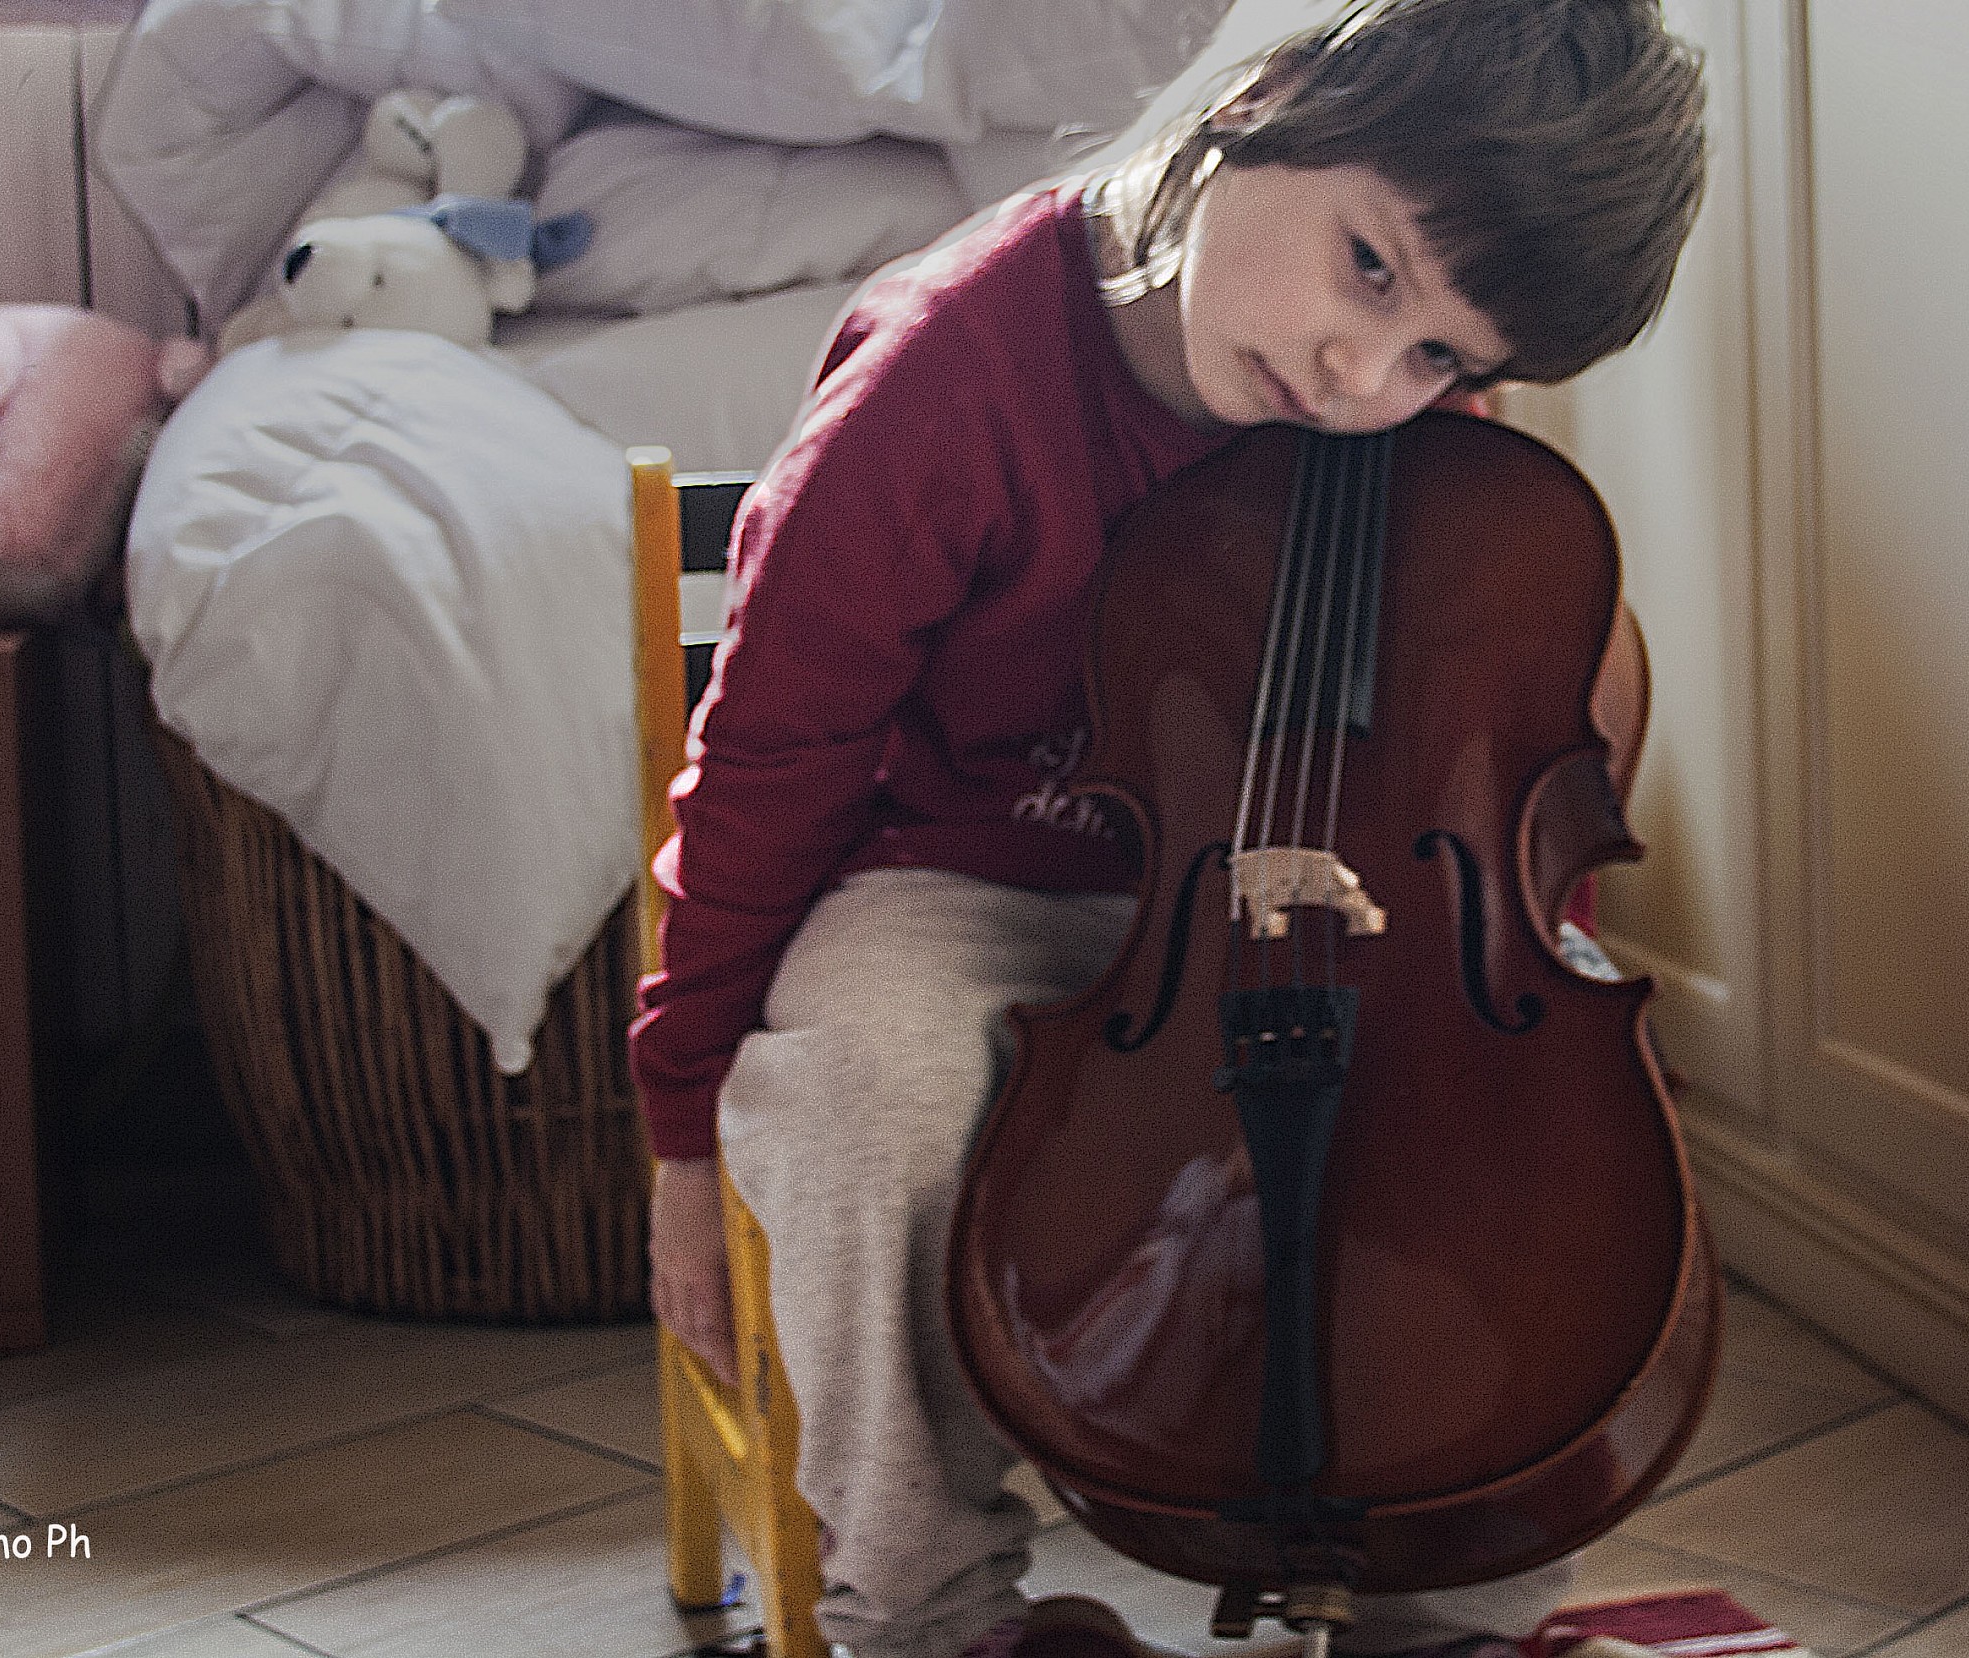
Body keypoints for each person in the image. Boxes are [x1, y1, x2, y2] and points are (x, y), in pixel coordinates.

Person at [630, 3, 1708, 1655]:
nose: (1368, 379)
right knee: (864, 1078)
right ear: (1270, 102)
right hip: (966, 876)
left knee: (1508, 1117)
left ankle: (1453, 1576)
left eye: (1445, 356)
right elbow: (768, 761)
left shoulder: (1404, 435)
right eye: (1368, 265)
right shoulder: (944, 374)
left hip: (1321, 886)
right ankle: (927, 1603)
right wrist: (683, 1135)